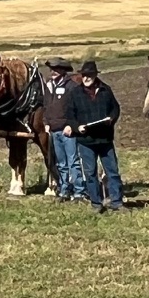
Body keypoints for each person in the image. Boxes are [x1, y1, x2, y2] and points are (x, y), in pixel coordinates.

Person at [65, 61, 123, 212]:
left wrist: (111, 119)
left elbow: (115, 108)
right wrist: (77, 127)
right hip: (86, 141)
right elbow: (70, 115)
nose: (86, 78)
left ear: (95, 75)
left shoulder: (105, 90)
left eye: (89, 75)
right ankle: (96, 203)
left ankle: (117, 202)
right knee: (90, 173)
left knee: (112, 172)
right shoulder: (75, 93)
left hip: (105, 139)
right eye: (84, 75)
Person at [40, 57, 83, 202]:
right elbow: (46, 106)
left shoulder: (71, 86)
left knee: (73, 162)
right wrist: (46, 122)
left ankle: (79, 192)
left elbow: (76, 109)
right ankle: (64, 190)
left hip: (67, 130)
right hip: (54, 130)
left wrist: (71, 125)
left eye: (56, 69)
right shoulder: (49, 86)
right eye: (51, 69)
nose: (53, 72)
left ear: (63, 71)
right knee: (61, 163)